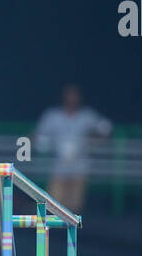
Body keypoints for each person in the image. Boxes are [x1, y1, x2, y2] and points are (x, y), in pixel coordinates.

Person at [32, 83, 112, 212]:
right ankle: (54, 231)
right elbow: (38, 134)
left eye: (74, 95)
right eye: (69, 95)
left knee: (75, 207)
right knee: (53, 204)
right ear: (63, 97)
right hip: (58, 168)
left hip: (80, 168)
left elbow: (105, 129)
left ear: (79, 98)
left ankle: (73, 231)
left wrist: (93, 140)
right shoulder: (53, 116)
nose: (71, 99)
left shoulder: (87, 116)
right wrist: (37, 143)